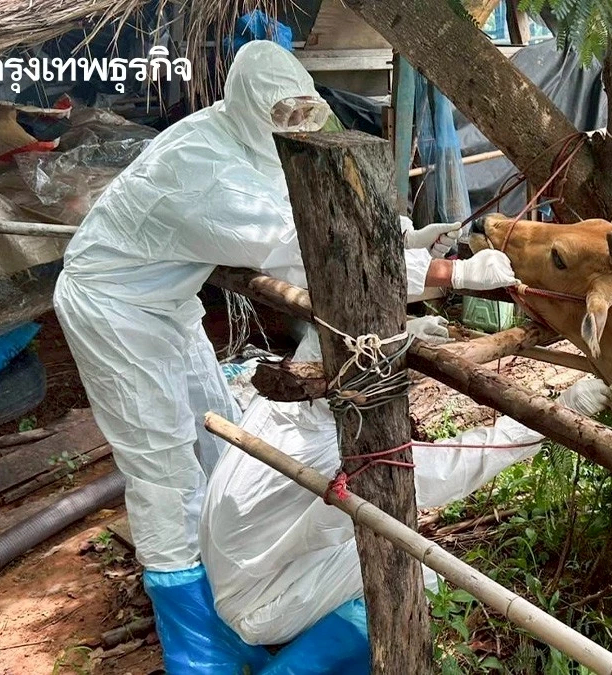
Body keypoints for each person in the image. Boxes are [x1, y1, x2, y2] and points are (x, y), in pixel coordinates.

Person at [53, 39, 520, 673]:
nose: (294, 124)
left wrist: (403, 238)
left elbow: (307, 216)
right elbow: (312, 255)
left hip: (165, 302)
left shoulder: (238, 138)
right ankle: (197, 648)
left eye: (304, 109)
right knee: (163, 466)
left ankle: (221, 595)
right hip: (116, 311)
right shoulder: (206, 169)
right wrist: (449, 274)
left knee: (214, 441)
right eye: (282, 111)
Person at [199, 337, 612, 675]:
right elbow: (457, 464)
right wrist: (563, 412)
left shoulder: (273, 409)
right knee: (419, 565)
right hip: (260, 607)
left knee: (362, 527)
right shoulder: (337, 457)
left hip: (238, 570)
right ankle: (366, 653)